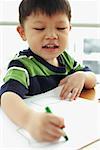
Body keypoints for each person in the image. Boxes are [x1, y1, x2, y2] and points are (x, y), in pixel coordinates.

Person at [0, 0, 96, 142]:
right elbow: (7, 97)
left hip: (67, 126)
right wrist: (29, 120)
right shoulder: (22, 65)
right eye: (39, 28)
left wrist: (82, 76)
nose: (52, 35)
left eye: (61, 28)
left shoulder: (65, 58)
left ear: (69, 28)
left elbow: (92, 78)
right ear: (22, 32)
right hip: (31, 134)